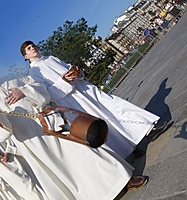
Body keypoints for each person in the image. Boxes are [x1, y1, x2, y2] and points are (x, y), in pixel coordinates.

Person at [0, 55, 148, 200]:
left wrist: (23, 91)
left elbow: (41, 90)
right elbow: (3, 134)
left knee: (87, 151)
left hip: (51, 123)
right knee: (68, 169)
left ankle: (123, 181)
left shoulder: (12, 79)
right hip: (34, 141)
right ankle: (101, 195)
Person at [20, 40, 168, 158]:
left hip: (85, 89)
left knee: (115, 106)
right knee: (101, 122)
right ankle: (129, 149)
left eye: (32, 45)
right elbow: (48, 94)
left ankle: (148, 129)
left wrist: (76, 71)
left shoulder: (51, 58)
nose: (32, 48)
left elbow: (69, 67)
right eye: (28, 48)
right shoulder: (34, 73)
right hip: (73, 100)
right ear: (26, 56)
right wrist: (64, 81)